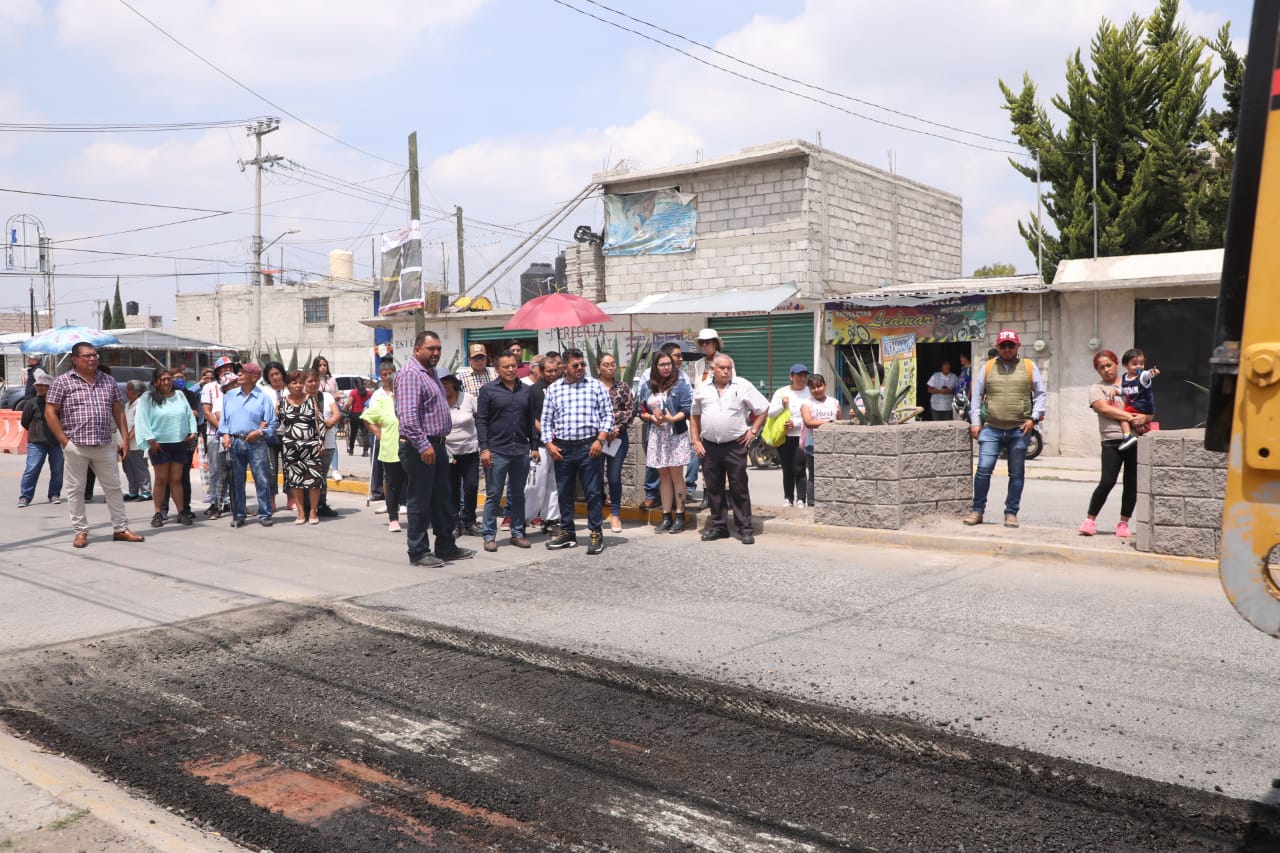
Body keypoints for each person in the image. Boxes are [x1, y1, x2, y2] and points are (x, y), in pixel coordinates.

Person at [44, 342, 145, 548]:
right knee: (76, 489)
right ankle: (80, 531)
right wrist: (64, 441)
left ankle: (120, 529)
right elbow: (50, 412)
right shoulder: (63, 382)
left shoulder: (108, 381)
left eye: (94, 355)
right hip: (76, 445)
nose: (92, 359)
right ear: (75, 359)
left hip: (104, 443)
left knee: (114, 488)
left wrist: (124, 439)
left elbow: (118, 411)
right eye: (86, 356)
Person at [395, 330, 475, 568]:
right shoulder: (411, 375)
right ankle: (418, 551)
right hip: (421, 447)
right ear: (417, 350)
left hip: (438, 445)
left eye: (439, 348)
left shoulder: (430, 374)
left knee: (443, 499)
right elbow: (407, 417)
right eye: (431, 349)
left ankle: (446, 546)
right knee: (420, 501)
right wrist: (423, 445)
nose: (436, 353)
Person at [965, 330, 1047, 528]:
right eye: (1004, 346)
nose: (1007, 349)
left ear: (1018, 346)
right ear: (998, 347)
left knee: (1016, 473)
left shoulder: (1029, 366)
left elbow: (1040, 395)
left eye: (1011, 345)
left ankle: (1011, 513)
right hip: (992, 429)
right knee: (983, 470)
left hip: (1020, 430)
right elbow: (976, 398)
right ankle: (977, 511)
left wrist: (1033, 419)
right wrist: (976, 423)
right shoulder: (987, 367)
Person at [541, 347, 614, 555]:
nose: (580, 368)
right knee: (564, 493)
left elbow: (607, 415)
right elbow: (546, 421)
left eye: (582, 364)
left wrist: (600, 440)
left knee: (593, 493)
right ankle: (567, 532)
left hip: (589, 447)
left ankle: (595, 532)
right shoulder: (554, 389)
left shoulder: (596, 386)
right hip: (562, 449)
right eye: (576, 365)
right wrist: (549, 444)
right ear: (565, 367)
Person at [690, 353, 768, 545]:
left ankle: (745, 529)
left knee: (739, 487)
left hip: (735, 445)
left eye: (728, 368)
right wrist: (695, 440)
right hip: (709, 446)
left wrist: (753, 431)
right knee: (714, 488)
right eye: (722, 368)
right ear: (712, 370)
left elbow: (763, 408)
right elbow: (694, 415)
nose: (726, 371)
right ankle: (719, 527)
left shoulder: (742, 385)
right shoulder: (702, 388)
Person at [1079, 350, 1149, 538]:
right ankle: (1090, 520)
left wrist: (1144, 418)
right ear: (1097, 371)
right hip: (1111, 441)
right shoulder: (1096, 389)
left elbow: (1148, 410)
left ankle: (1123, 523)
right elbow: (1104, 409)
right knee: (1107, 481)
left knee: (1131, 483)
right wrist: (1130, 417)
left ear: (1117, 364)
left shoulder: (1134, 384)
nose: (1106, 370)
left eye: (1109, 365)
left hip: (1135, 440)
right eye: (1101, 367)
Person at [477, 352, 539, 551]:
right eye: (506, 367)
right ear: (497, 369)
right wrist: (484, 448)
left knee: (519, 494)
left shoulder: (526, 391)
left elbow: (530, 421)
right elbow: (482, 422)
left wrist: (534, 447)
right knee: (494, 494)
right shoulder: (488, 390)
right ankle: (489, 535)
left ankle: (517, 532)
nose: (511, 370)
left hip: (520, 450)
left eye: (513, 366)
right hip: (496, 451)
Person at [135, 367, 197, 528]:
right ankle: (158, 513)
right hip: (159, 444)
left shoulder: (180, 395)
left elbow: (189, 414)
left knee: (176, 480)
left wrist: (193, 431)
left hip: (179, 442)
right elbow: (142, 419)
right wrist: (151, 440)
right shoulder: (147, 398)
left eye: (169, 379)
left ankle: (182, 512)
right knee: (161, 479)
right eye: (163, 379)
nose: (167, 382)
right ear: (156, 382)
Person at [217, 362, 277, 528]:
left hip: (256, 442)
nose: (239, 375)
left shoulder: (263, 397)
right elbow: (224, 421)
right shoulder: (229, 396)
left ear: (254, 377)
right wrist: (226, 435)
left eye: (243, 372)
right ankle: (239, 514)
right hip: (235, 441)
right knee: (236, 480)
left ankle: (265, 513)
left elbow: (272, 423)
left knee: (262, 478)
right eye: (239, 372)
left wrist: (258, 432)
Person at [639, 350, 691, 533]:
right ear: (655, 366)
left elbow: (687, 409)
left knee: (677, 476)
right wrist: (651, 418)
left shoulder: (680, 385)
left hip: (675, 434)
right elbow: (642, 410)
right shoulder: (647, 386)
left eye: (669, 364)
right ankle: (666, 515)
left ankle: (680, 515)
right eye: (662, 364)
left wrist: (672, 419)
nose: (666, 367)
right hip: (657, 435)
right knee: (663, 477)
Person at [277, 369, 325, 525]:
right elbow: (278, 425)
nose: (297, 386)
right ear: (287, 385)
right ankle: (301, 512)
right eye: (293, 383)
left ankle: (313, 511)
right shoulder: (282, 402)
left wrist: (321, 441)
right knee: (295, 480)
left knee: (314, 481)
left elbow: (320, 421)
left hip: (311, 444)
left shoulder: (311, 399)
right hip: (291, 446)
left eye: (300, 382)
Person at [596, 351, 636, 533]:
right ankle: (596, 513)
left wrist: (615, 428)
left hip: (618, 438)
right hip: (596, 439)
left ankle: (615, 514)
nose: (610, 367)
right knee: (594, 478)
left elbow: (630, 410)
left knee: (614, 477)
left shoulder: (623, 387)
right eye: (606, 364)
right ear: (598, 368)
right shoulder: (592, 388)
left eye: (613, 364)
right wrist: (604, 431)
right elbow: (588, 413)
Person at [362, 369, 405, 533]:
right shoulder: (384, 401)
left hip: (412, 450)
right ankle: (393, 518)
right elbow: (367, 418)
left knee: (415, 485)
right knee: (392, 485)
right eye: (397, 384)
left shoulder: (413, 401)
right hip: (390, 450)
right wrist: (378, 433)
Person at [524, 353, 562, 533]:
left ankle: (551, 520)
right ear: (540, 371)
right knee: (535, 484)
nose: (553, 374)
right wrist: (547, 435)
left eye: (556, 370)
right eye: (549, 371)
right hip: (540, 444)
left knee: (554, 484)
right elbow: (531, 418)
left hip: (561, 443)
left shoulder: (564, 388)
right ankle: (524, 519)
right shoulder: (533, 390)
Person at [441, 374, 482, 538]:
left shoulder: (468, 398)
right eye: (440, 383)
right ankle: (454, 523)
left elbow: (480, 419)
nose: (444, 386)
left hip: (470, 450)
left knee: (471, 487)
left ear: (453, 382)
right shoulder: (437, 401)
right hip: (448, 452)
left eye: (446, 382)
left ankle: (469, 521)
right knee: (452, 489)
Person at [767, 364, 812, 507]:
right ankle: (788, 498)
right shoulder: (781, 392)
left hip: (802, 435)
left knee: (799, 467)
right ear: (791, 377)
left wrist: (796, 423)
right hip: (784, 436)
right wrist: (782, 404)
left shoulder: (810, 392)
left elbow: (812, 413)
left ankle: (801, 498)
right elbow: (770, 413)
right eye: (799, 376)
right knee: (787, 468)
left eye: (805, 376)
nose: (802, 379)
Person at [17, 369, 62, 508]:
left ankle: (54, 494)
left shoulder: (58, 404)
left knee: (57, 470)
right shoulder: (31, 403)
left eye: (43, 385)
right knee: (32, 469)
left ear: (50, 387)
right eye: (38, 385)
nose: (39, 388)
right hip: (37, 442)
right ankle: (25, 497)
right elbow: (25, 421)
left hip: (55, 442)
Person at [201, 356, 238, 517]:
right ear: (217, 371)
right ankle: (215, 502)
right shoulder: (209, 387)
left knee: (232, 469)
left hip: (234, 434)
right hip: (214, 435)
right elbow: (207, 412)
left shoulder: (238, 386)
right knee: (216, 470)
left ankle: (230, 501)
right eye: (224, 368)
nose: (227, 369)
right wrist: (223, 430)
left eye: (230, 367)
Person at [800, 374, 841, 507]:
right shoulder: (806, 404)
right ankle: (812, 504)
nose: (817, 390)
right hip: (814, 446)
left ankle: (831, 502)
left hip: (834, 446)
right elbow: (808, 422)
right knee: (814, 476)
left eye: (819, 386)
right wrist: (829, 422)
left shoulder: (834, 402)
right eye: (813, 387)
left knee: (833, 475)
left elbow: (840, 422)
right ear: (809, 389)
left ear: (825, 385)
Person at [1118, 348, 1160, 451]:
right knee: (1140, 428)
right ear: (1125, 365)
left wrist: (1153, 372)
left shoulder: (1142, 376)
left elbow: (1148, 374)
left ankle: (1127, 437)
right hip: (1134, 406)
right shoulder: (1124, 378)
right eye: (1135, 364)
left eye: (1141, 363)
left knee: (1123, 416)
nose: (1139, 366)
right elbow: (1123, 391)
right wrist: (1116, 391)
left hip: (1143, 407)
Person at [260, 361, 288, 510]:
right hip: (270, 434)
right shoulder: (263, 391)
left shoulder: (290, 389)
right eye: (272, 375)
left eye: (277, 373)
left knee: (289, 467)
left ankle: (291, 499)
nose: (275, 377)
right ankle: (271, 499)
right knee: (271, 469)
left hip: (289, 433)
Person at [367, 360, 395, 510]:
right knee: (377, 463)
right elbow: (372, 414)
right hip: (381, 431)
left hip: (394, 433)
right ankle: (377, 491)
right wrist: (378, 431)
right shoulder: (377, 394)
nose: (387, 376)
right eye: (384, 374)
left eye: (390, 373)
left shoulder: (398, 390)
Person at [120, 379, 151, 502]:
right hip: (126, 442)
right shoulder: (128, 404)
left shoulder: (141, 404)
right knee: (128, 468)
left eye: (128, 389)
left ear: (136, 392)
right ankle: (133, 491)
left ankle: (146, 492)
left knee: (140, 468)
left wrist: (127, 439)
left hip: (137, 443)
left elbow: (138, 425)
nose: (126, 391)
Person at [345, 379, 371, 457]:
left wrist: (345, 409)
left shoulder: (353, 392)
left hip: (355, 414)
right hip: (365, 414)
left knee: (353, 432)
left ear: (355, 384)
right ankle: (365, 451)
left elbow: (349, 403)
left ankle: (351, 450)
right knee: (365, 433)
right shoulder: (368, 393)